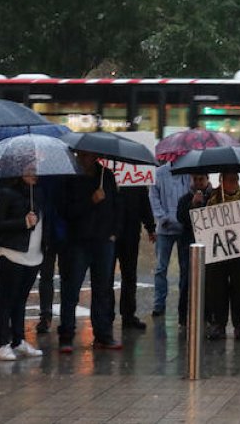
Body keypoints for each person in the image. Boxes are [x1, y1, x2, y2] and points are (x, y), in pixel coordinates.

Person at [58, 151, 122, 352]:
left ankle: (103, 334)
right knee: (71, 289)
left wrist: (114, 232)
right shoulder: (70, 178)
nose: (84, 159)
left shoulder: (107, 176)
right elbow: (66, 211)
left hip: (103, 241)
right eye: (81, 156)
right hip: (78, 241)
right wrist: (91, 200)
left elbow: (117, 206)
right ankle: (66, 335)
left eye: (88, 156)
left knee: (102, 290)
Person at [0, 170, 46, 361]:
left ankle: (18, 339)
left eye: (36, 170)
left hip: (34, 255)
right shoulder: (7, 193)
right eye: (30, 170)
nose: (34, 174)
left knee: (21, 299)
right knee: (7, 299)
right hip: (12, 253)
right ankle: (2, 343)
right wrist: (22, 222)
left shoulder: (38, 194)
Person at [200, 171, 240, 340]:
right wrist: (197, 204)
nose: (234, 183)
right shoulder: (210, 199)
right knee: (216, 289)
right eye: (230, 180)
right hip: (217, 254)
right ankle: (219, 324)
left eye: (235, 180)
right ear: (222, 181)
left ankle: (238, 324)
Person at [148, 163, 191, 323]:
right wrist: (162, 217)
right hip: (164, 229)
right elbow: (153, 196)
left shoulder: (188, 173)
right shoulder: (159, 173)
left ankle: (184, 305)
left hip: (183, 229)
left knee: (185, 269)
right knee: (161, 268)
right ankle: (159, 304)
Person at [116, 185, 156, 330]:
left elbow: (144, 203)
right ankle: (107, 317)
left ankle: (128, 315)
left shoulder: (136, 180)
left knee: (130, 275)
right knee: (106, 278)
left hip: (130, 233)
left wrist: (150, 227)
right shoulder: (105, 176)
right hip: (110, 233)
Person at [175, 173, 212, 329]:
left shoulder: (214, 197)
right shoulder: (184, 199)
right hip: (187, 244)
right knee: (187, 281)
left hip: (209, 244)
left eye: (201, 179)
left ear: (207, 179)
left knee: (209, 281)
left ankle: (208, 316)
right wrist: (193, 205)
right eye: (195, 179)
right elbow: (181, 218)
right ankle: (184, 317)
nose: (198, 182)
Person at [35, 175, 70, 334]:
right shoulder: (65, 176)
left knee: (52, 276)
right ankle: (48, 315)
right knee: (52, 276)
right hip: (52, 232)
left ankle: (50, 315)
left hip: (58, 232)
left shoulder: (44, 178)